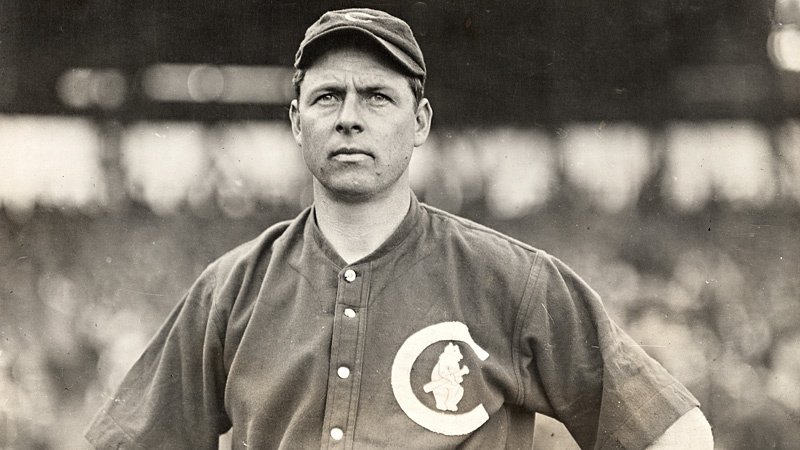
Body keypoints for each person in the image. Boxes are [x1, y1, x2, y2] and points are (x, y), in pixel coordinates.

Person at [85, 8, 713, 449]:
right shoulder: (230, 290)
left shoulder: (512, 280)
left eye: (377, 97)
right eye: (327, 97)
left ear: (420, 122)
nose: (349, 118)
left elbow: (676, 433)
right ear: (297, 121)